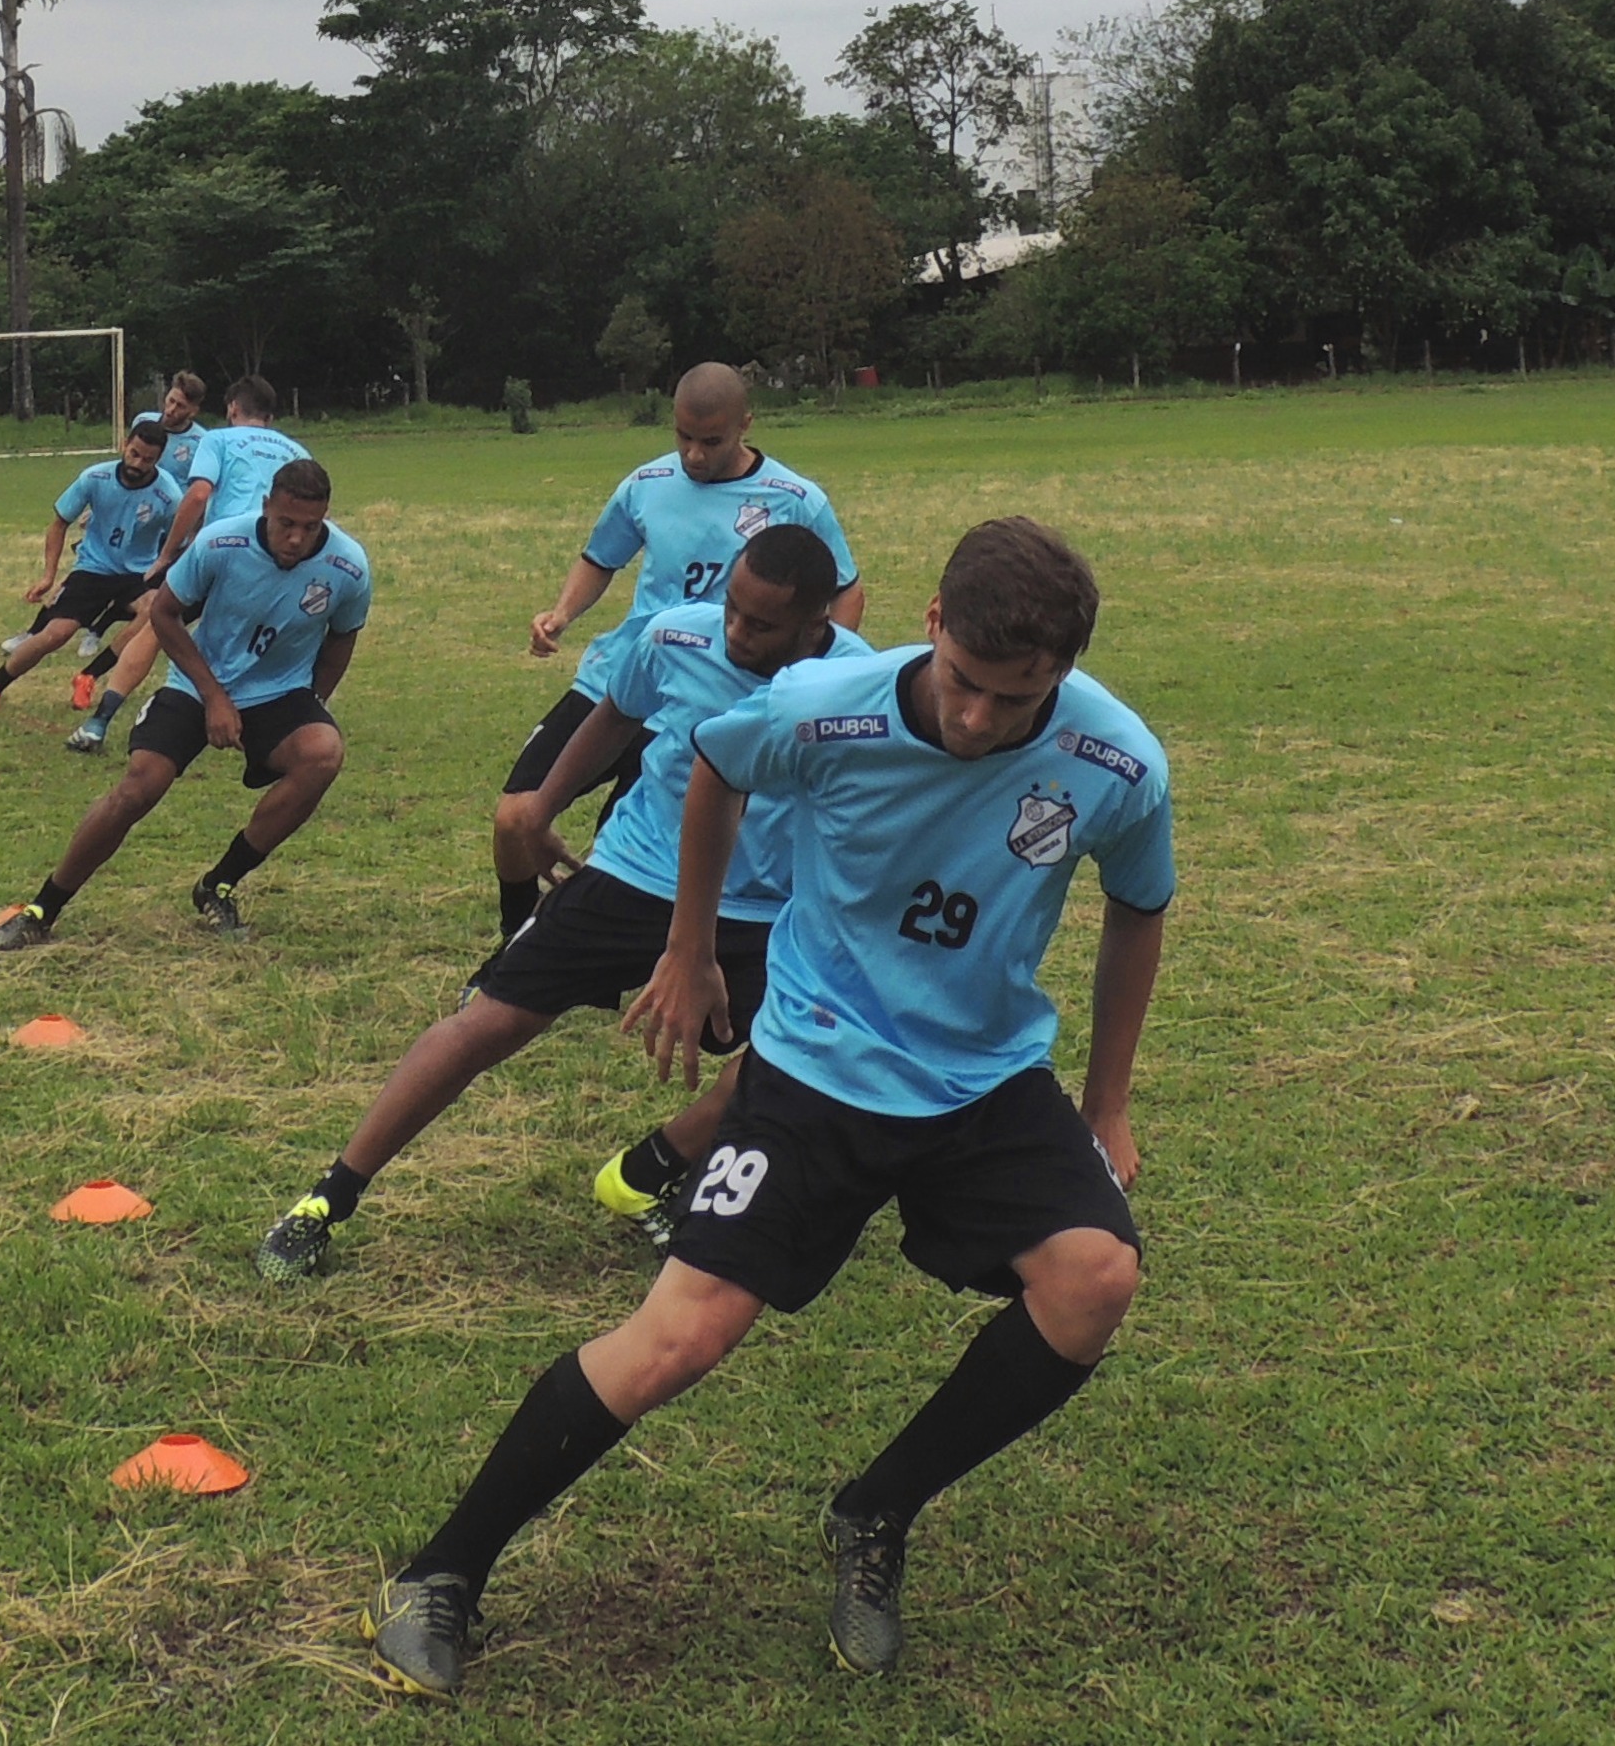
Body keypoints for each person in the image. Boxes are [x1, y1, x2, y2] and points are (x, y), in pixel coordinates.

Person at [362, 518, 1172, 1699]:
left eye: (1017, 698)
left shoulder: (1116, 762)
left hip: (983, 1081)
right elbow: (716, 766)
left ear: (1063, 671)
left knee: (1094, 1278)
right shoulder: (823, 705)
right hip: (812, 1070)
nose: (979, 721)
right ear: (929, 623)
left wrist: (1106, 1102)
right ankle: (443, 1574)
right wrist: (686, 946)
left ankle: (874, 1511)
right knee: (679, 1337)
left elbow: (1138, 904)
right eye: (962, 684)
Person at [254, 526, 870, 1281]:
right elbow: (613, 714)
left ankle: (650, 1169)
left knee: (811, 1049)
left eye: (761, 623)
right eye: (731, 607)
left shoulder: (857, 689)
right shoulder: (676, 633)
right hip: (633, 874)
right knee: (487, 1023)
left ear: (818, 622)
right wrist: (541, 809)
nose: (735, 631)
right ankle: (328, 1196)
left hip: (763, 909)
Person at [495, 363, 860, 942]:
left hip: (704, 699)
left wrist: (813, 677)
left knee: (633, 850)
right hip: (619, 681)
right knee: (514, 818)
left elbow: (843, 588)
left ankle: (591, 953)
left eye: (710, 441)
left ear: (746, 424)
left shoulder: (796, 500)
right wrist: (562, 612)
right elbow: (601, 557)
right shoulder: (646, 484)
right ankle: (513, 938)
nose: (693, 454)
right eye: (682, 437)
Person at [0, 456, 371, 948]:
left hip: (278, 692)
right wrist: (213, 696)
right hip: (197, 685)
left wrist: (314, 700)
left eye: (309, 526)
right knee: (138, 787)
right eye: (285, 523)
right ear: (265, 508)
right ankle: (44, 908)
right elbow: (165, 615)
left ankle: (218, 884)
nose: (296, 538)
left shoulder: (348, 566)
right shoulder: (221, 542)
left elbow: (343, 636)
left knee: (323, 753)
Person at [68, 376, 310, 753]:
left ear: (232, 408)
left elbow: (198, 494)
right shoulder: (298, 451)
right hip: (281, 555)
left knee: (157, 625)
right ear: (271, 415)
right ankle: (280, 725)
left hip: (226, 547)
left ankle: (98, 724)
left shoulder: (217, 439)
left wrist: (167, 555)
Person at [0, 416, 178, 712]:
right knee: (55, 634)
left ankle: (88, 676)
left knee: (152, 613)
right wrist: (49, 576)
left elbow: (184, 538)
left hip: (137, 574)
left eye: (147, 460)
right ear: (125, 445)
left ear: (159, 459)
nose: (137, 463)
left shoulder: (170, 495)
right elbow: (59, 523)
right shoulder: (95, 478)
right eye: (134, 454)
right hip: (93, 569)